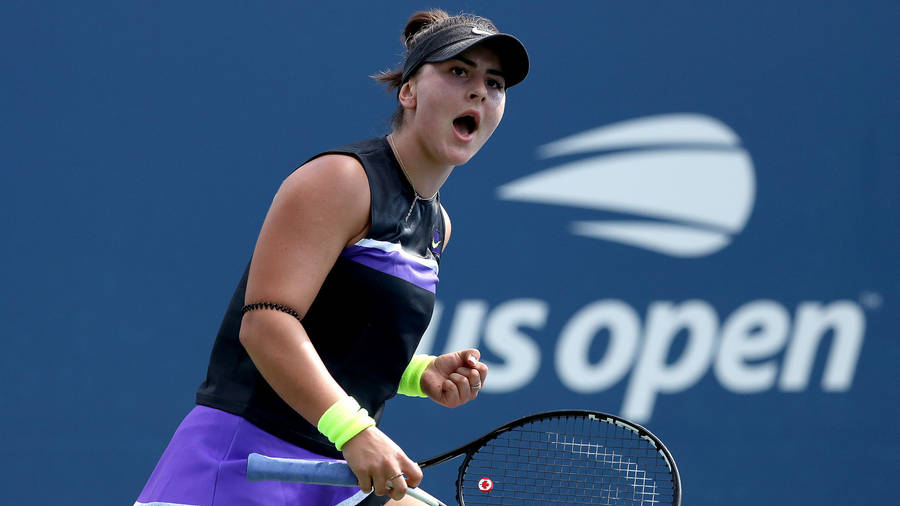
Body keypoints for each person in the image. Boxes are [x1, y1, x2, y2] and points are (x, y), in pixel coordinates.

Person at [136, 8, 528, 506]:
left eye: (494, 83)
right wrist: (355, 431)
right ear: (408, 92)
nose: (479, 91)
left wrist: (415, 372)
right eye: (458, 72)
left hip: (328, 474)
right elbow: (267, 324)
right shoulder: (342, 180)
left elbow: (339, 332)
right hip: (240, 465)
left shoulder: (437, 226)